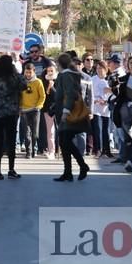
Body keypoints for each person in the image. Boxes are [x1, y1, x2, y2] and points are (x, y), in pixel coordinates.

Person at [0, 55, 27, 179]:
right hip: (11, 112)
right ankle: (11, 169)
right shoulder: (14, 77)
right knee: (11, 141)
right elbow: (24, 85)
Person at [53, 53, 91, 182]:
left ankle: (81, 166)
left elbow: (69, 94)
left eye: (57, 63)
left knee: (65, 142)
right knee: (65, 143)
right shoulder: (71, 74)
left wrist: (65, 111)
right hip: (68, 112)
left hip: (69, 114)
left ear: (60, 64)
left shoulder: (66, 75)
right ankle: (69, 171)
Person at [20, 63, 46, 159]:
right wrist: (20, 106)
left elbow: (42, 96)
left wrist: (39, 106)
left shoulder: (38, 82)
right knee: (27, 132)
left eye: (30, 72)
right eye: (26, 72)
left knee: (35, 133)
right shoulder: (22, 81)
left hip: (35, 110)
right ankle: (28, 151)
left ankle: (34, 149)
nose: (28, 74)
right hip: (24, 110)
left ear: (34, 72)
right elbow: (19, 95)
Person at [92, 61, 113, 158]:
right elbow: (89, 93)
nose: (99, 70)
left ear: (106, 70)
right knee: (98, 129)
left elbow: (112, 95)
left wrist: (106, 100)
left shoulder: (108, 80)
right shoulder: (93, 80)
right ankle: (98, 150)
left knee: (106, 130)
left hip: (105, 108)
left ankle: (107, 150)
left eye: (102, 68)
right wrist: (95, 100)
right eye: (98, 68)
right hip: (96, 108)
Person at [40, 65, 58, 159]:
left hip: (58, 108)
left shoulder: (59, 80)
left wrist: (53, 87)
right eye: (48, 71)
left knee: (60, 131)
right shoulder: (43, 81)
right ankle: (51, 151)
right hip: (48, 109)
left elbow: (58, 95)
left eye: (52, 70)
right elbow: (45, 95)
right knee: (50, 131)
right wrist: (49, 87)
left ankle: (61, 150)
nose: (50, 72)